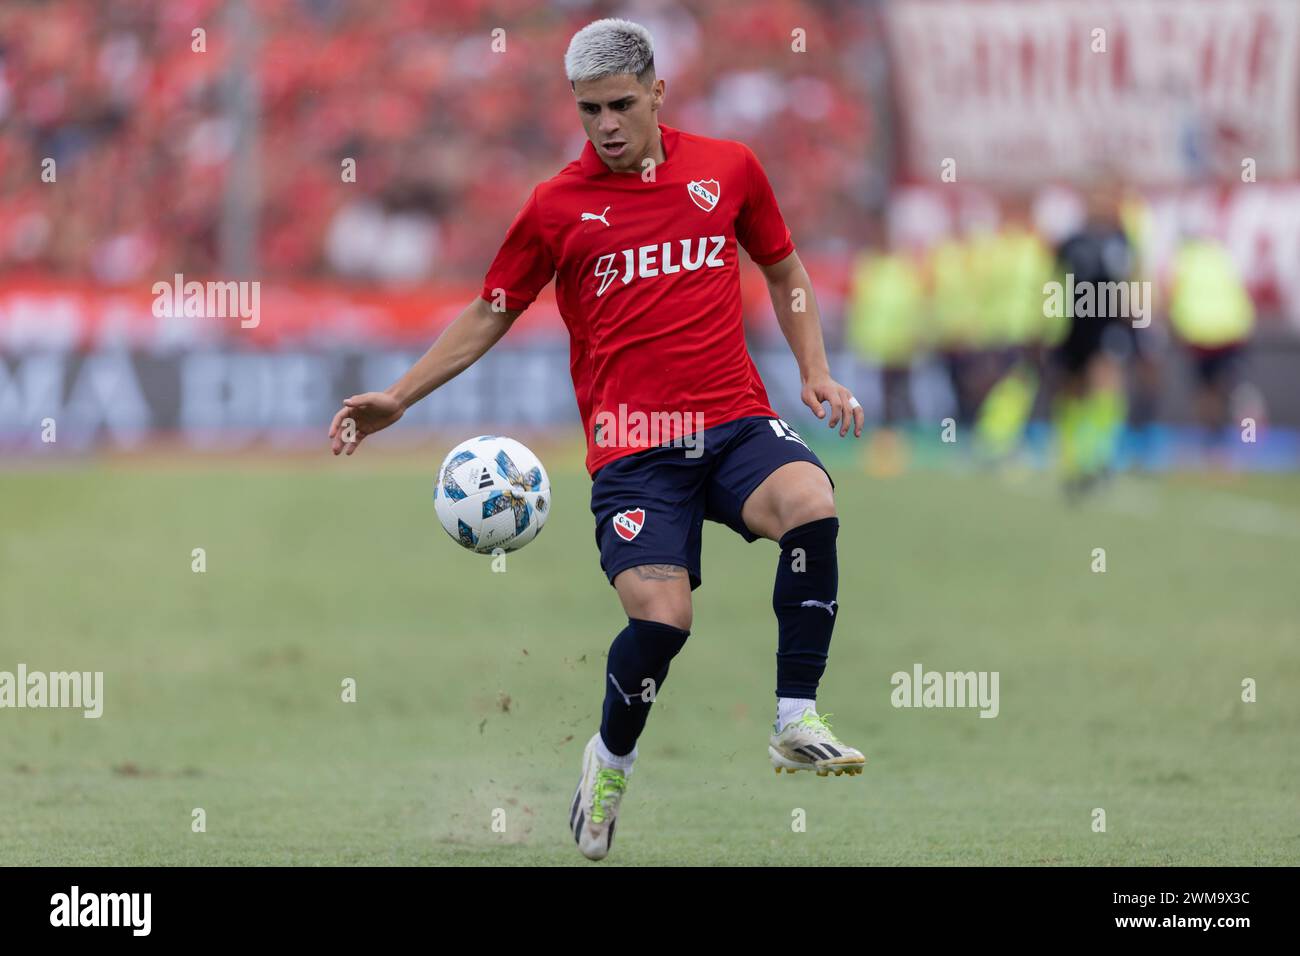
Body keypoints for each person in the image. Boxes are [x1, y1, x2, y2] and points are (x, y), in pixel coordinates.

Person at [326, 18, 865, 862]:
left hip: (733, 423)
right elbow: (490, 311)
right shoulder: (555, 207)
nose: (606, 125)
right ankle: (610, 761)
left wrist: (816, 371)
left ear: (658, 91)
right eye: (588, 111)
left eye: (620, 104)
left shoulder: (728, 168)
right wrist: (398, 396)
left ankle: (796, 717)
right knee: (665, 617)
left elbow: (786, 269)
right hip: (633, 452)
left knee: (811, 500)